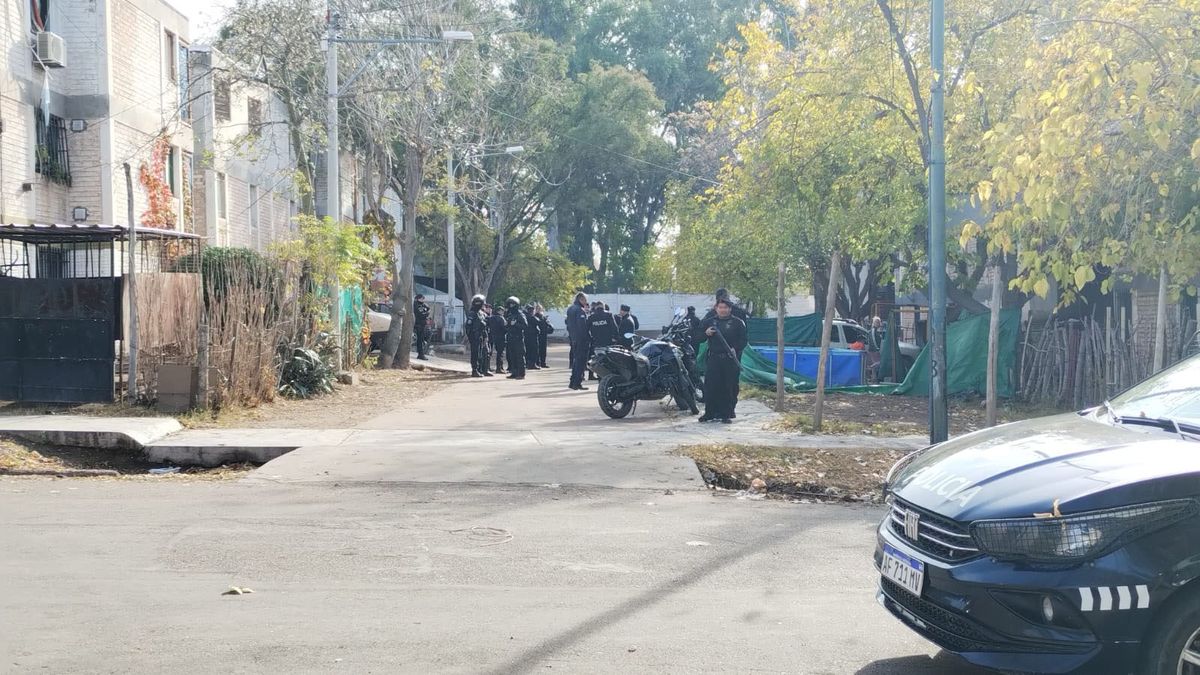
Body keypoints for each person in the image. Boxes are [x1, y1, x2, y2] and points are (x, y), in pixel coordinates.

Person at [696, 298, 747, 424]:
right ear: (716, 308)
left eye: (725, 307)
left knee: (729, 386)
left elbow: (743, 340)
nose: (723, 310)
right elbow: (698, 337)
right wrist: (706, 333)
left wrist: (736, 349)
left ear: (730, 309)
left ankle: (726, 413)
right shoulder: (709, 322)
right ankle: (710, 413)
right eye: (720, 307)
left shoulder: (737, 323)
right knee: (711, 386)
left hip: (730, 359)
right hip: (714, 358)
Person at [565, 292, 590, 390]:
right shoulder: (580, 310)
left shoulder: (570, 309)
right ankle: (577, 383)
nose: (586, 302)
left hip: (573, 338)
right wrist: (587, 338)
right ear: (581, 299)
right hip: (581, 340)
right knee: (580, 362)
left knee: (576, 360)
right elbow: (582, 327)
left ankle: (572, 382)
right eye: (585, 300)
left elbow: (568, 324)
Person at [464, 295, 491, 378]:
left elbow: (485, 324)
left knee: (483, 353)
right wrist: (471, 337)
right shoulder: (472, 313)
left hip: (481, 336)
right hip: (475, 336)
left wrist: (485, 335)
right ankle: (475, 370)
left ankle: (482, 369)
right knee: (475, 354)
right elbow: (468, 326)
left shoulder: (481, 313)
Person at [504, 297, 527, 380]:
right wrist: (507, 325)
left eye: (513, 304)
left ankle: (521, 373)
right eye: (510, 304)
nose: (511, 306)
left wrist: (516, 324)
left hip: (518, 338)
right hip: (510, 337)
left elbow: (525, 326)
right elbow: (507, 326)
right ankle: (514, 372)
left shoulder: (520, 314)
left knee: (519, 356)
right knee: (512, 356)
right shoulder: (509, 314)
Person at [487, 302, 507, 374]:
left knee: (490, 352)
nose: (503, 312)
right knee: (500, 353)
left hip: (492, 336)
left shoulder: (491, 318)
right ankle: (499, 368)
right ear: (500, 311)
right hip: (501, 337)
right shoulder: (502, 318)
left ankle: (488, 367)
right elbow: (505, 328)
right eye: (502, 311)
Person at [413, 293, 431, 360]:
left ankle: (421, 353)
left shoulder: (422, 304)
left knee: (423, 338)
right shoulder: (416, 305)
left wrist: (427, 310)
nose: (423, 300)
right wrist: (427, 313)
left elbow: (428, 308)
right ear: (418, 299)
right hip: (418, 324)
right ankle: (420, 354)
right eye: (422, 298)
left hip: (423, 324)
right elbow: (421, 314)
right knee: (420, 340)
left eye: (423, 299)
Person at [523, 304, 541, 370]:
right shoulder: (530, 316)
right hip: (532, 335)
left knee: (528, 350)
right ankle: (532, 364)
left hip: (527, 335)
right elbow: (538, 321)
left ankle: (528, 363)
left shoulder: (525, 316)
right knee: (533, 350)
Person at [534, 304, 553, 368]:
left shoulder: (544, 317)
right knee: (537, 350)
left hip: (543, 335)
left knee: (543, 350)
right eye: (537, 309)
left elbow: (549, 326)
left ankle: (543, 363)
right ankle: (537, 363)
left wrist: (548, 328)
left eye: (540, 309)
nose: (538, 310)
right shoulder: (534, 316)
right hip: (537, 335)